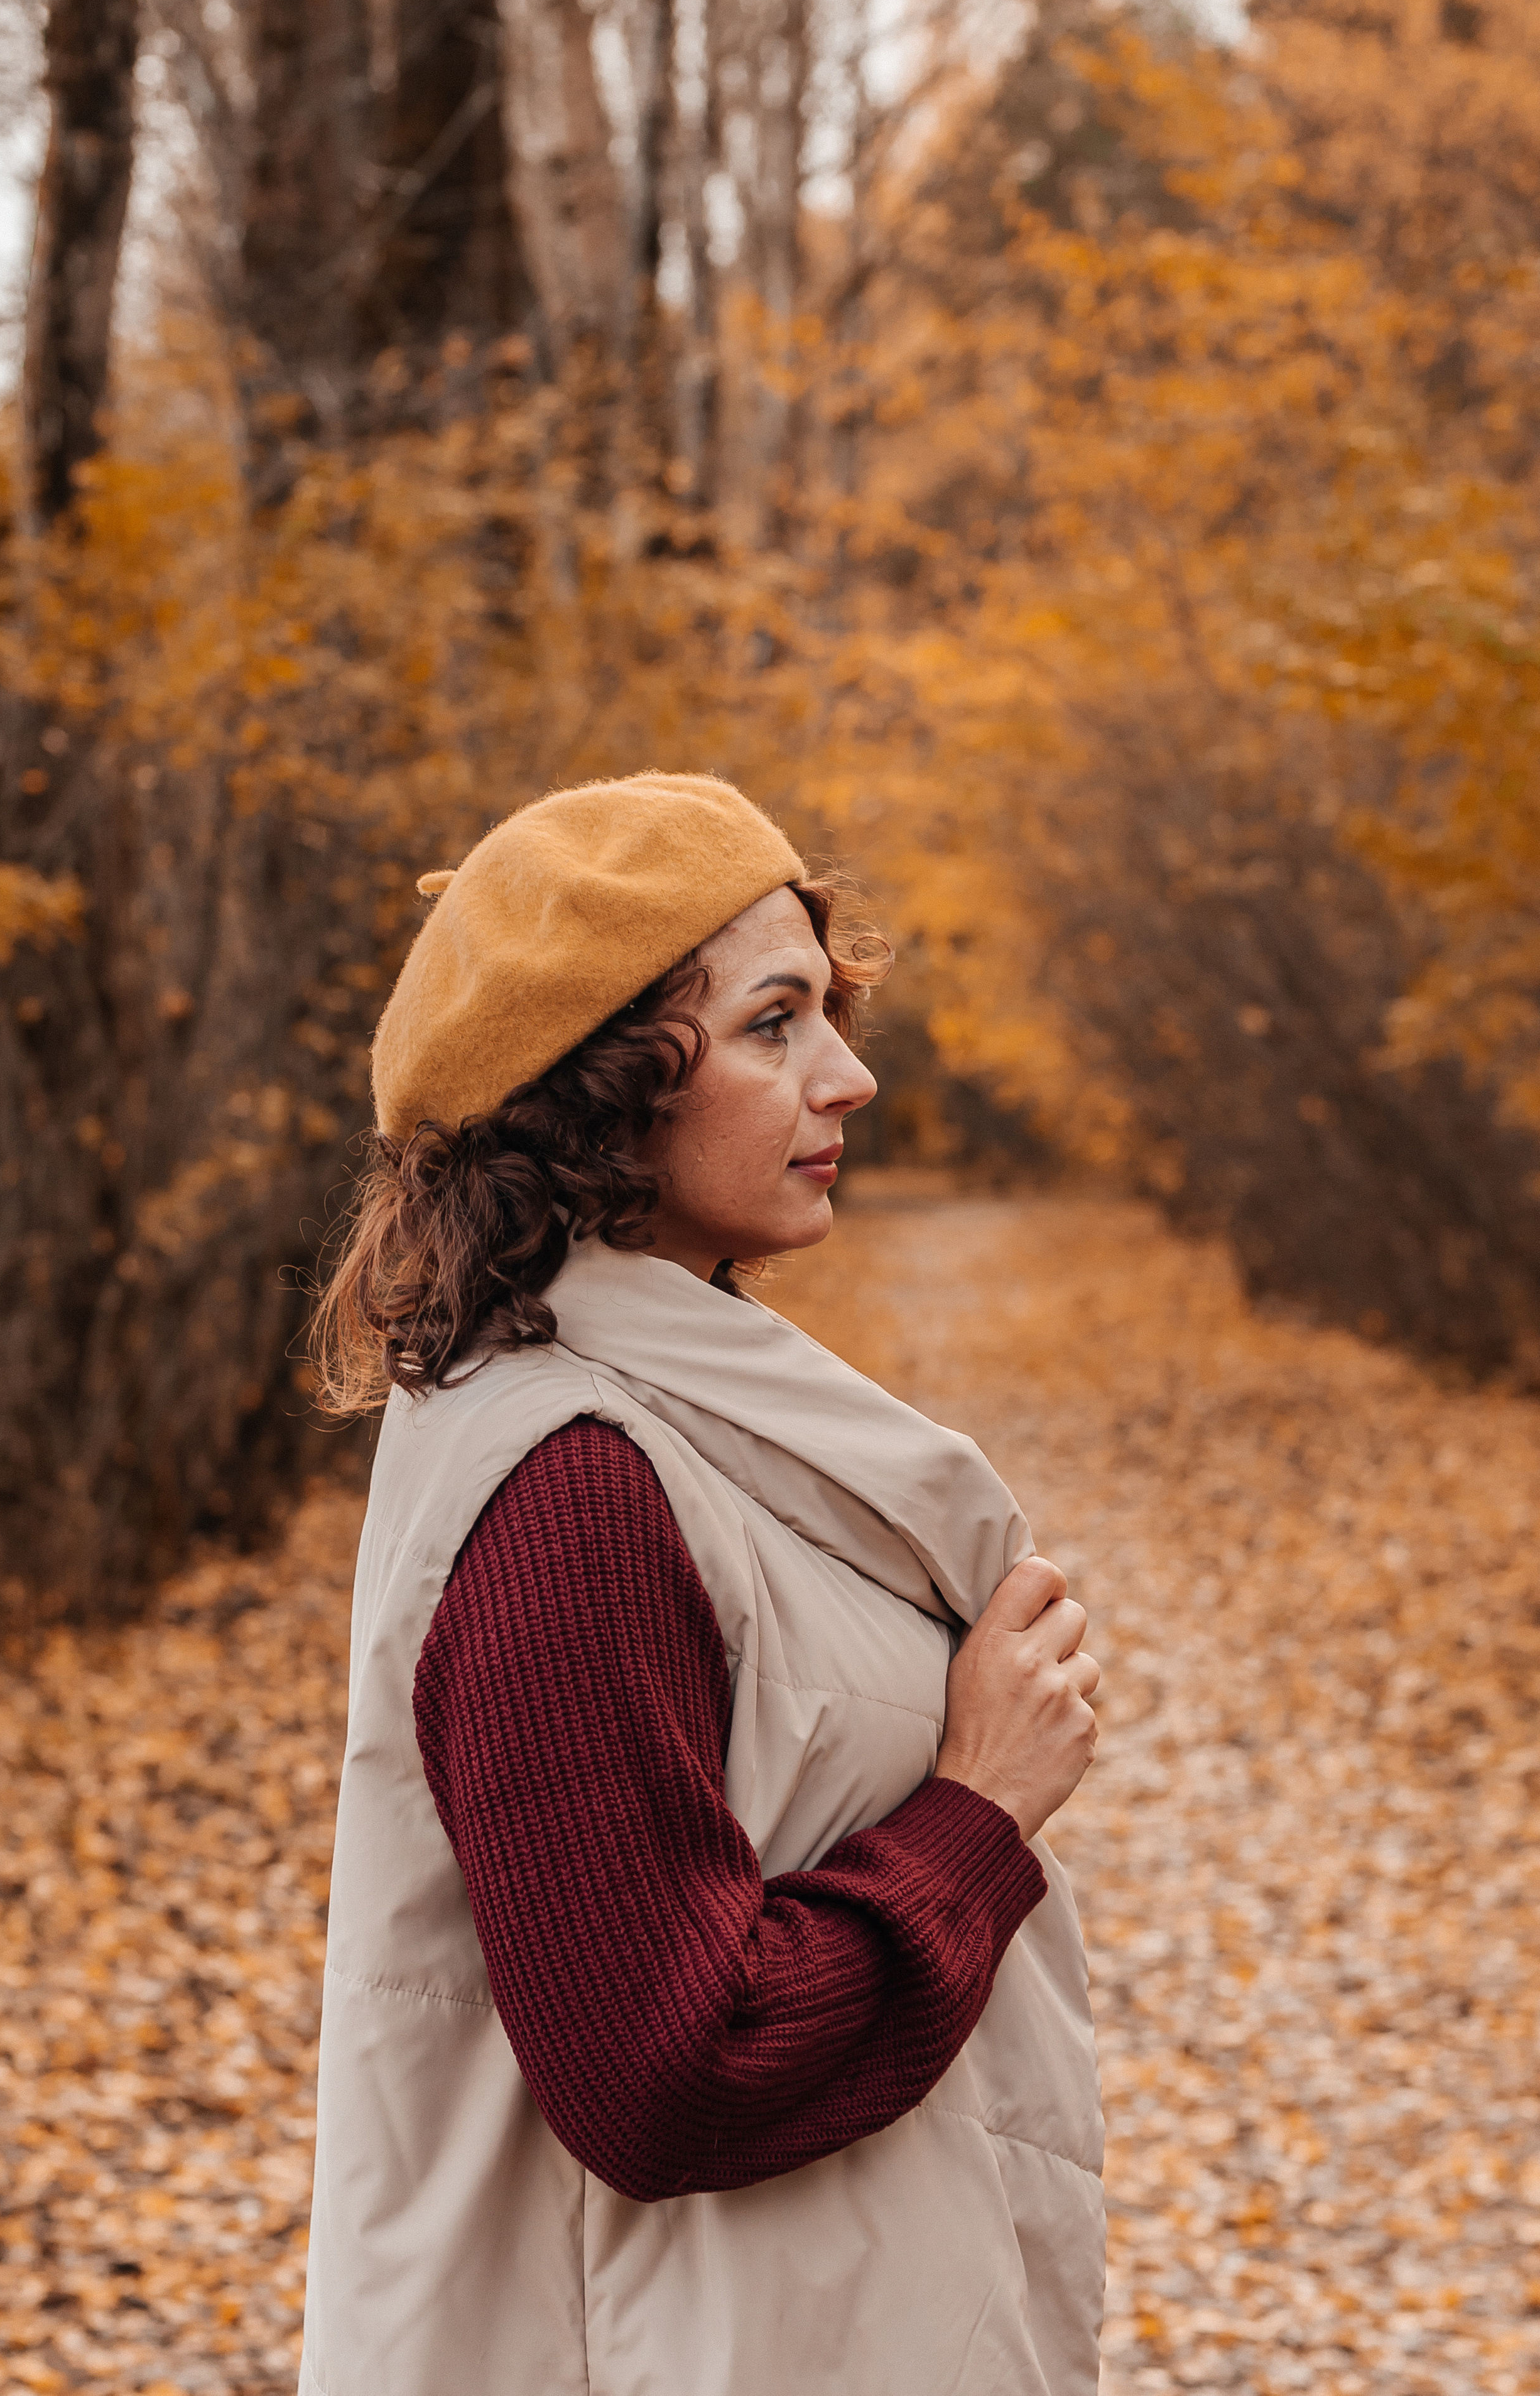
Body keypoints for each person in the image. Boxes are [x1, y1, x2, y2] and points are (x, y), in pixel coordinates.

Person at [300, 771, 1104, 2396]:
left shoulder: (667, 1428)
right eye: (774, 1024)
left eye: (830, 1012)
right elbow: (672, 2077)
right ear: (597, 1091)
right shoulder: (574, 1488)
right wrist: (980, 1812)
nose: (851, 1076)